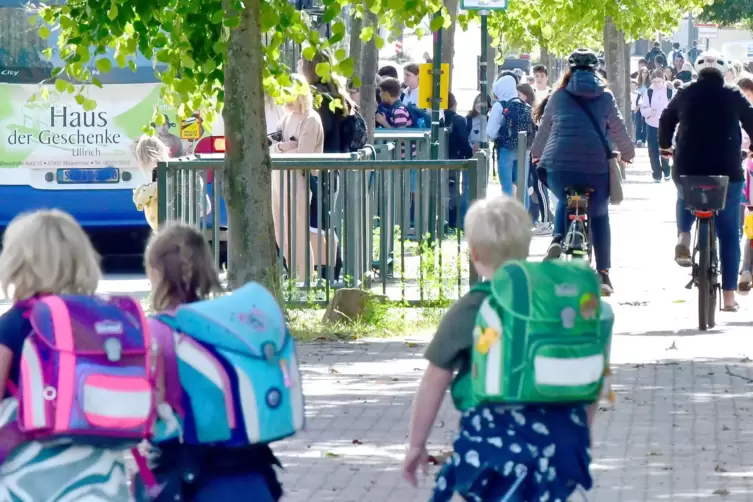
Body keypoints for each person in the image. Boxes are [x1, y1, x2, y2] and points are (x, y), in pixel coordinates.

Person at [402, 196, 597, 502]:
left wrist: (416, 444)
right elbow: (586, 375)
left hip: (490, 448)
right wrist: (576, 436)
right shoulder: (557, 306)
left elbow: (435, 379)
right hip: (556, 444)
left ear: (474, 253)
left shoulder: (473, 308)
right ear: (527, 245)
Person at [133, 223, 283, 501]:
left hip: (191, 479)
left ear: (155, 273)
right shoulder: (230, 327)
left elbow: (146, 408)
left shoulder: (158, 333)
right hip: (253, 474)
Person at [0, 209, 131, 501]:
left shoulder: (15, 323)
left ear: (19, 262)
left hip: (29, 476)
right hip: (101, 473)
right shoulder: (103, 323)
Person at [530, 48, 635, 295]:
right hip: (595, 169)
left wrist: (536, 154)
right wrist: (628, 154)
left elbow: (545, 129)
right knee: (599, 215)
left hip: (560, 167)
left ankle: (557, 239)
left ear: (570, 71)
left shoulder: (557, 96)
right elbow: (618, 128)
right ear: (596, 70)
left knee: (565, 200)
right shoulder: (605, 96)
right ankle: (604, 275)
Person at [658, 49, 753, 312]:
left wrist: (666, 147)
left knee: (683, 195)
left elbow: (666, 118)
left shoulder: (686, 91)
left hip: (688, 165)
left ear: (698, 71)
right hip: (727, 170)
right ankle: (730, 297)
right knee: (728, 234)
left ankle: (684, 235)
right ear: (723, 72)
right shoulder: (733, 94)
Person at [272, 74, 336, 280]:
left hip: (299, 181)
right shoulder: (285, 118)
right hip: (278, 180)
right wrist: (284, 147)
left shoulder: (311, 119)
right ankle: (294, 276)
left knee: (298, 232)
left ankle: (304, 279)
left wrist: (282, 150)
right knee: (281, 233)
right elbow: (270, 147)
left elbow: (303, 156)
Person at [487, 72, 530, 196]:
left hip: (506, 148)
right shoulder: (524, 105)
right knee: (522, 187)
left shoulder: (499, 106)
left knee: (507, 187)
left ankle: (508, 214)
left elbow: (491, 132)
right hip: (524, 149)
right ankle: (524, 214)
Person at [640, 68, 674, 182]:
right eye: (654, 82)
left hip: (665, 125)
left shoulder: (669, 91)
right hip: (652, 124)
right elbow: (643, 108)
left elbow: (675, 107)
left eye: (659, 81)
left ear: (663, 79)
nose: (656, 84)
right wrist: (650, 111)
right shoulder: (649, 92)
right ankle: (657, 174)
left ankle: (666, 169)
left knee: (665, 148)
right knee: (653, 150)